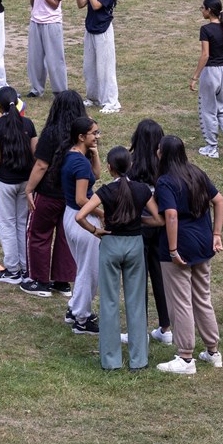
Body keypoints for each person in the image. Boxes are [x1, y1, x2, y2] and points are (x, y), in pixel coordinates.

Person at [76, 146, 162, 370]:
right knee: (136, 302)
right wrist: (138, 220)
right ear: (130, 165)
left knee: (109, 302)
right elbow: (158, 219)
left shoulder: (105, 191)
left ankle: (111, 360)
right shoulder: (142, 190)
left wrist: (96, 231)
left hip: (111, 244)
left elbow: (80, 216)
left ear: (109, 167)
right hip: (134, 245)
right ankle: (139, 359)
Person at [154, 135, 223, 375]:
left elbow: (171, 215)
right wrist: (216, 234)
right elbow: (219, 200)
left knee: (181, 301)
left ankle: (185, 358)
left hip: (180, 247)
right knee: (202, 297)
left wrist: (173, 249)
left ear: (163, 154)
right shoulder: (197, 173)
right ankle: (213, 351)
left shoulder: (165, 182)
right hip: (203, 244)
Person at [22, 90, 84, 298]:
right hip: (72, 196)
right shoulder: (83, 136)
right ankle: (62, 281)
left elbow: (41, 165)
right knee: (66, 237)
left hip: (48, 194)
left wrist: (29, 188)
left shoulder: (51, 133)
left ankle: (40, 281)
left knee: (38, 234)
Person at [0, 87, 38, 284]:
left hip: (5, 183)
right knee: (22, 223)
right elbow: (36, 155)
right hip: (26, 182)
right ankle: (25, 267)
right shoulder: (28, 124)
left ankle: (13, 270)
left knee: (6, 224)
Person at [128, 119, 174, 346]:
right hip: (162, 228)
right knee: (160, 277)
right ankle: (165, 328)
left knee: (138, 280)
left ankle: (139, 331)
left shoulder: (131, 167)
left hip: (140, 228)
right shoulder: (166, 167)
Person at [60, 116, 103, 335]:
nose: (97, 136)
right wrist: (102, 213)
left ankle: (74, 309)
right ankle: (82, 319)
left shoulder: (74, 156)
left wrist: (94, 153)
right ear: (80, 136)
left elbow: (96, 175)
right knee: (90, 272)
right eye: (94, 133)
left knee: (83, 269)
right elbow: (81, 199)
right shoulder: (80, 163)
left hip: (70, 217)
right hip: (82, 221)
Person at [190, 0, 223, 162]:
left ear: (209, 10)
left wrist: (195, 76)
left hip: (211, 72)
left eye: (202, 8)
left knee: (208, 110)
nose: (201, 10)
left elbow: (205, 55)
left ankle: (212, 147)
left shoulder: (206, 29)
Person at [72, 0, 120, 114]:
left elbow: (96, 5)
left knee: (105, 68)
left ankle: (111, 102)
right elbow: (81, 4)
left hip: (103, 31)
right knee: (89, 67)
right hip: (90, 30)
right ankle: (93, 98)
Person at [23, 0, 67, 98]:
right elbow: (34, 5)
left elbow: (55, 5)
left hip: (52, 23)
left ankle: (60, 91)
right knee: (35, 59)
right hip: (36, 22)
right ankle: (36, 89)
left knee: (55, 59)